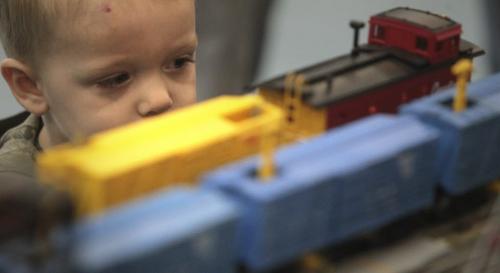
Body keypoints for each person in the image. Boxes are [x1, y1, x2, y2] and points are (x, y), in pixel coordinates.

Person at [0, 0, 198, 179]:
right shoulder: (19, 207)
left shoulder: (205, 154)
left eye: (179, 62)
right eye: (117, 79)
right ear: (31, 86)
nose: (161, 99)